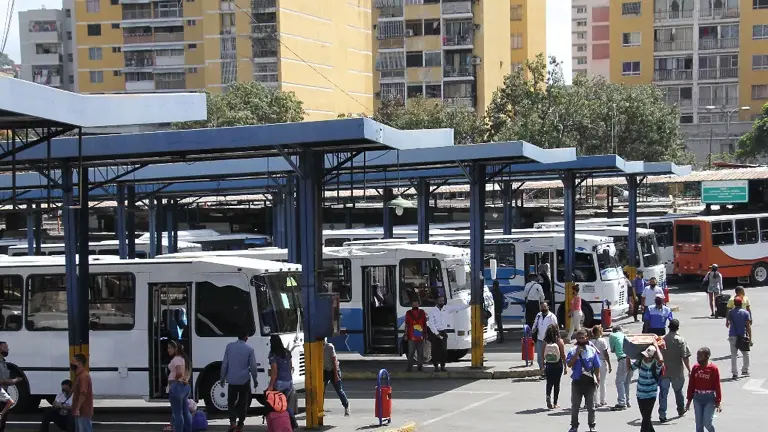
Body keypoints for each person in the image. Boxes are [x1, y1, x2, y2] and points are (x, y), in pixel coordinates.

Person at [220, 332, 259, 431]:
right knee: (243, 402)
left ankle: (232, 422)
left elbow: (225, 364)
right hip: (244, 380)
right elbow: (253, 367)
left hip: (232, 380)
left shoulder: (229, 347)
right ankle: (240, 424)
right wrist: (255, 379)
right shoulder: (250, 349)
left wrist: (222, 377)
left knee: (231, 402)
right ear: (246, 338)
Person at [566, 330, 600, 432]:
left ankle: (592, 425)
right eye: (579, 338)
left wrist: (597, 378)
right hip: (577, 383)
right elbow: (569, 364)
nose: (581, 340)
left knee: (591, 407)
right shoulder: (572, 350)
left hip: (589, 383)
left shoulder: (592, 350)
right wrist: (577, 354)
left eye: (583, 337)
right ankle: (574, 426)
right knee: (575, 407)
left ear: (586, 338)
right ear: (576, 339)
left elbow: (597, 366)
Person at [658, 319, 691, 423]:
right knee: (678, 391)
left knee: (663, 393)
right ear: (678, 328)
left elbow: (657, 355)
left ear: (669, 327)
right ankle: (680, 409)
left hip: (664, 371)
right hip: (677, 371)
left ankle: (662, 414)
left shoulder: (662, 339)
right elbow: (685, 356)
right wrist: (689, 369)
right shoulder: (681, 340)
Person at [427, 296, 470, 372]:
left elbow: (458, 308)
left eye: (443, 301)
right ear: (437, 301)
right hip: (434, 333)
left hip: (443, 332)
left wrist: (468, 305)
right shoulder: (433, 311)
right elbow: (431, 324)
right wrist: (436, 333)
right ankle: (436, 366)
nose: (442, 302)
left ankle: (442, 366)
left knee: (444, 350)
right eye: (440, 301)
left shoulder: (446, 308)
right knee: (435, 350)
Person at [630, 342, 665, 432]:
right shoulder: (640, 361)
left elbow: (661, 360)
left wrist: (656, 346)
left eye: (648, 356)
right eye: (645, 355)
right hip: (640, 394)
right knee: (646, 417)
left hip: (651, 395)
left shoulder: (655, 365)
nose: (645, 357)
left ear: (652, 357)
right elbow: (630, 368)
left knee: (646, 418)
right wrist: (627, 356)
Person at [686, 347, 722, 432]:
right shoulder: (695, 368)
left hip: (709, 398)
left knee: (707, 422)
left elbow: (717, 385)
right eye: (697, 355)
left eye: (700, 356)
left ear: (707, 356)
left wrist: (718, 401)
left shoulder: (713, 369)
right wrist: (689, 400)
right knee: (699, 424)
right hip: (697, 398)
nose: (698, 358)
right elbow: (691, 385)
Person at [267, 335, 298, 429]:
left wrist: (271, 385)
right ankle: (290, 422)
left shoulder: (273, 354)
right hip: (289, 381)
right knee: (286, 404)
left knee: (278, 404)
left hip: (279, 382)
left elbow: (274, 371)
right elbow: (290, 367)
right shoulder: (287, 352)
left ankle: (288, 422)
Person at [167, 340, 192, 432]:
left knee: (177, 414)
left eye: (169, 348)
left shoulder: (176, 359)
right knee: (186, 412)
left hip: (176, 387)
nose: (168, 350)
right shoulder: (183, 359)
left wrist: (176, 380)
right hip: (183, 387)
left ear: (175, 349)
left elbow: (179, 373)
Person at [725, 296, 751, 379]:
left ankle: (734, 373)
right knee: (745, 353)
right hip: (742, 336)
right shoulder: (745, 313)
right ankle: (745, 370)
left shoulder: (730, 312)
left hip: (732, 335)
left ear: (734, 303)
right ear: (741, 303)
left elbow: (727, 324)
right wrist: (750, 337)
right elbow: (748, 326)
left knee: (733, 354)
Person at [323, 338, 350, 416]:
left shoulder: (329, 347)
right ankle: (320, 407)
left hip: (333, 370)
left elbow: (334, 361)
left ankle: (346, 407)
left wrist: (336, 375)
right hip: (325, 370)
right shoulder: (316, 347)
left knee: (339, 390)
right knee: (321, 390)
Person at [609, 325, 633, 411]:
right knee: (626, 382)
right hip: (632, 358)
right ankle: (627, 401)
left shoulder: (612, 335)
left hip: (623, 359)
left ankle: (622, 403)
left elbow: (612, 350)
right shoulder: (624, 335)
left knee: (619, 382)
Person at [542, 324, 566, 410]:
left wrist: (542, 366)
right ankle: (555, 403)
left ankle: (548, 396)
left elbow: (542, 355)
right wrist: (565, 366)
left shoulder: (545, 342)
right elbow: (563, 355)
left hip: (549, 364)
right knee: (557, 383)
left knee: (549, 382)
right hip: (558, 364)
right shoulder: (559, 341)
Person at [532, 301, 558, 374]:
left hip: (549, 340)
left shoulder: (552, 316)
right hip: (540, 339)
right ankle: (543, 371)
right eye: (542, 307)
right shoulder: (538, 315)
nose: (543, 308)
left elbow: (556, 328)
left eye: (544, 307)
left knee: (548, 357)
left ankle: (547, 372)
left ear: (548, 307)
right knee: (539, 358)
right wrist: (533, 329)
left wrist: (556, 338)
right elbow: (535, 324)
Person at [0, 342, 21, 432]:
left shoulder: (3, 362)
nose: (7, 349)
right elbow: (2, 381)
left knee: (3, 420)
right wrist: (14, 381)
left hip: (4, 391)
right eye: (5, 347)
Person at [71, 353, 93, 432]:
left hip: (83, 411)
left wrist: (77, 409)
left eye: (73, 361)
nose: (71, 363)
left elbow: (83, 393)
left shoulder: (83, 376)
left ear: (79, 363)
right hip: (80, 411)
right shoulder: (80, 376)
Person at [590, 325, 611, 408]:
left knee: (594, 383)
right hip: (602, 362)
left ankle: (594, 401)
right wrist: (609, 364)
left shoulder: (590, 342)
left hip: (593, 363)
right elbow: (606, 354)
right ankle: (602, 400)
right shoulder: (603, 341)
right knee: (602, 382)